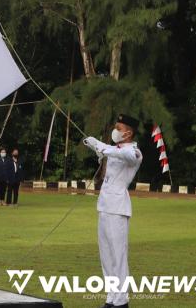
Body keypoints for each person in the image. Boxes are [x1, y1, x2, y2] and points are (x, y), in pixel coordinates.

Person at [84, 114, 142, 308]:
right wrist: (96, 146)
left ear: (128, 132)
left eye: (118, 127)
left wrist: (102, 147)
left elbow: (127, 156)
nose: (115, 131)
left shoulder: (134, 152)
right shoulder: (115, 149)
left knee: (118, 255)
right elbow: (112, 152)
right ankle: (111, 298)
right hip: (105, 205)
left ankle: (122, 301)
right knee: (106, 255)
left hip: (118, 208)